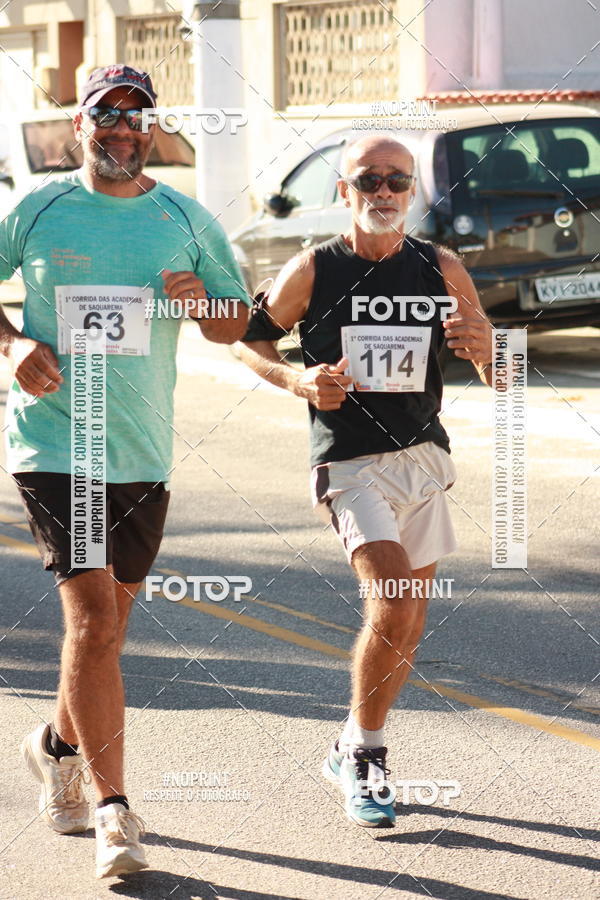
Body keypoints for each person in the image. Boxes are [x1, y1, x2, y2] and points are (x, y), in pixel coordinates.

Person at [0, 64, 249, 876]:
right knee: (95, 624)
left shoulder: (183, 217)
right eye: (107, 114)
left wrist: (202, 301)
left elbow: (234, 321)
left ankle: (56, 744)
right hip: (53, 442)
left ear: (151, 130)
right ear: (82, 125)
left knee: (105, 635)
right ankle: (115, 813)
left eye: (136, 116)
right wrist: (14, 347)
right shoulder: (35, 209)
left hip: (140, 453)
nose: (122, 128)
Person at [239, 134, 492, 828]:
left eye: (397, 181)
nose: (384, 192)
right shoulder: (313, 269)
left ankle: (350, 737)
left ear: (412, 193)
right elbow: (248, 337)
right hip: (347, 463)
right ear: (344, 191)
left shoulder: (440, 266)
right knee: (389, 600)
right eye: (368, 180)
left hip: (422, 459)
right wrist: (296, 377)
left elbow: (495, 361)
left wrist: (492, 353)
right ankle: (368, 757)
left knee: (408, 622)